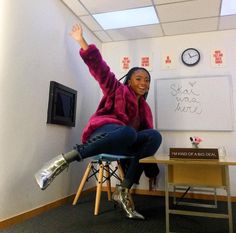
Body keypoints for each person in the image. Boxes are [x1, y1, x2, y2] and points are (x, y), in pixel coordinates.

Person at [35, 24, 162, 220]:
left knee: (153, 135)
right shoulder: (116, 89)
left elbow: (146, 146)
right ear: (129, 81)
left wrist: (151, 169)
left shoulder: (145, 109)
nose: (144, 83)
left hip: (125, 144)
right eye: (139, 79)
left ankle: (123, 191)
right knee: (128, 132)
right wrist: (81, 41)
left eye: (147, 80)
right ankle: (62, 161)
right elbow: (99, 68)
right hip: (103, 133)